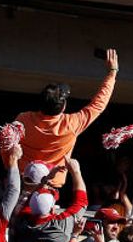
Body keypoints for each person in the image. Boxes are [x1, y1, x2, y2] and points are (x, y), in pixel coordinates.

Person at [9, 49, 118, 186]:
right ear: (64, 107)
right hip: (50, 187)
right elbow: (98, 104)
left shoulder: (22, 119)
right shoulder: (71, 124)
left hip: (21, 182)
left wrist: (9, 169)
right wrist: (112, 71)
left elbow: (5, 145)